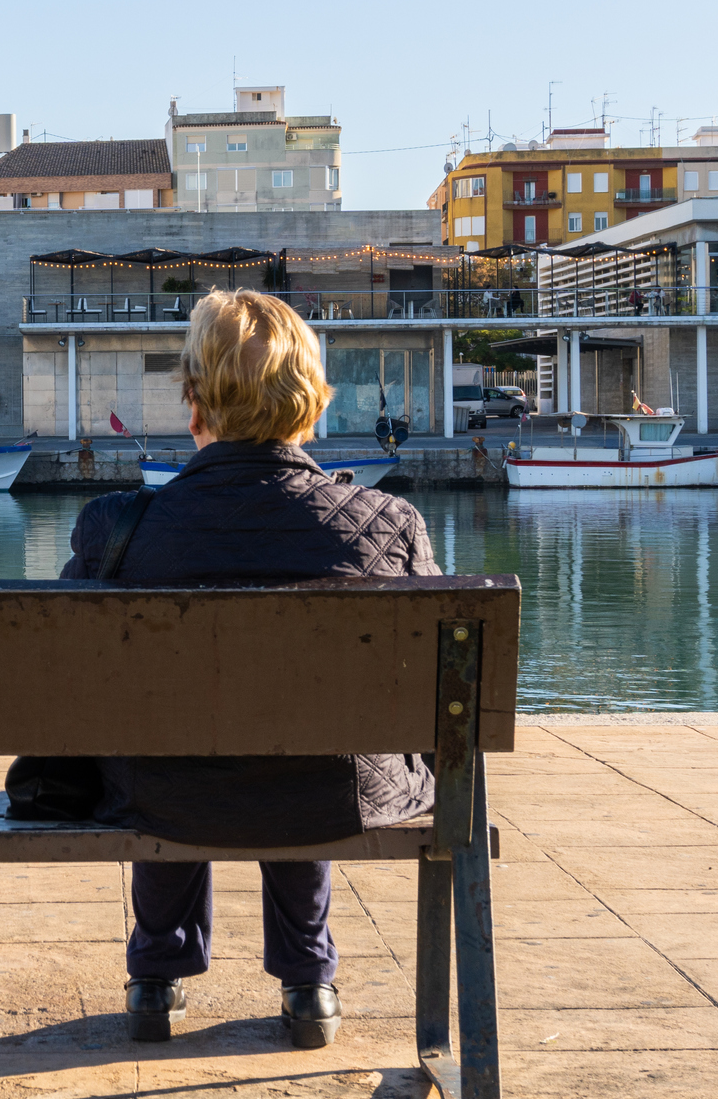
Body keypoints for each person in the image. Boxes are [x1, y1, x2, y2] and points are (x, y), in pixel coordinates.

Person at [57, 289, 439, 1050]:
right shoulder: (386, 523)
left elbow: (69, 675)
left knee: (166, 742)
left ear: (193, 397)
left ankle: (154, 979)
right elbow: (430, 685)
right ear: (310, 399)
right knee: (310, 747)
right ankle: (307, 983)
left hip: (162, 790)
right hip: (328, 793)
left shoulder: (120, 527)